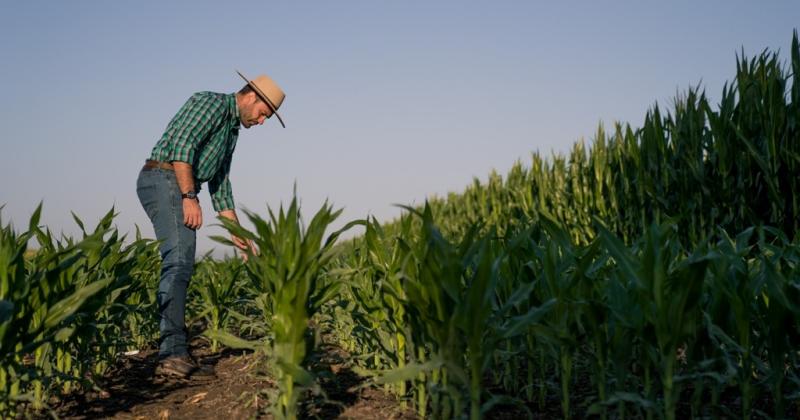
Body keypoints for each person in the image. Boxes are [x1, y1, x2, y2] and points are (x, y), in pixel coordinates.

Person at [136, 71, 285, 379]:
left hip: (174, 182)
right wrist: (189, 195)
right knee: (178, 263)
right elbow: (182, 145)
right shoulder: (212, 104)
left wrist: (240, 237)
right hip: (164, 179)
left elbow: (221, 185)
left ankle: (175, 349)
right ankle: (171, 355)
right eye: (263, 114)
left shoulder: (232, 131)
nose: (262, 121)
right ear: (251, 96)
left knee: (181, 263)